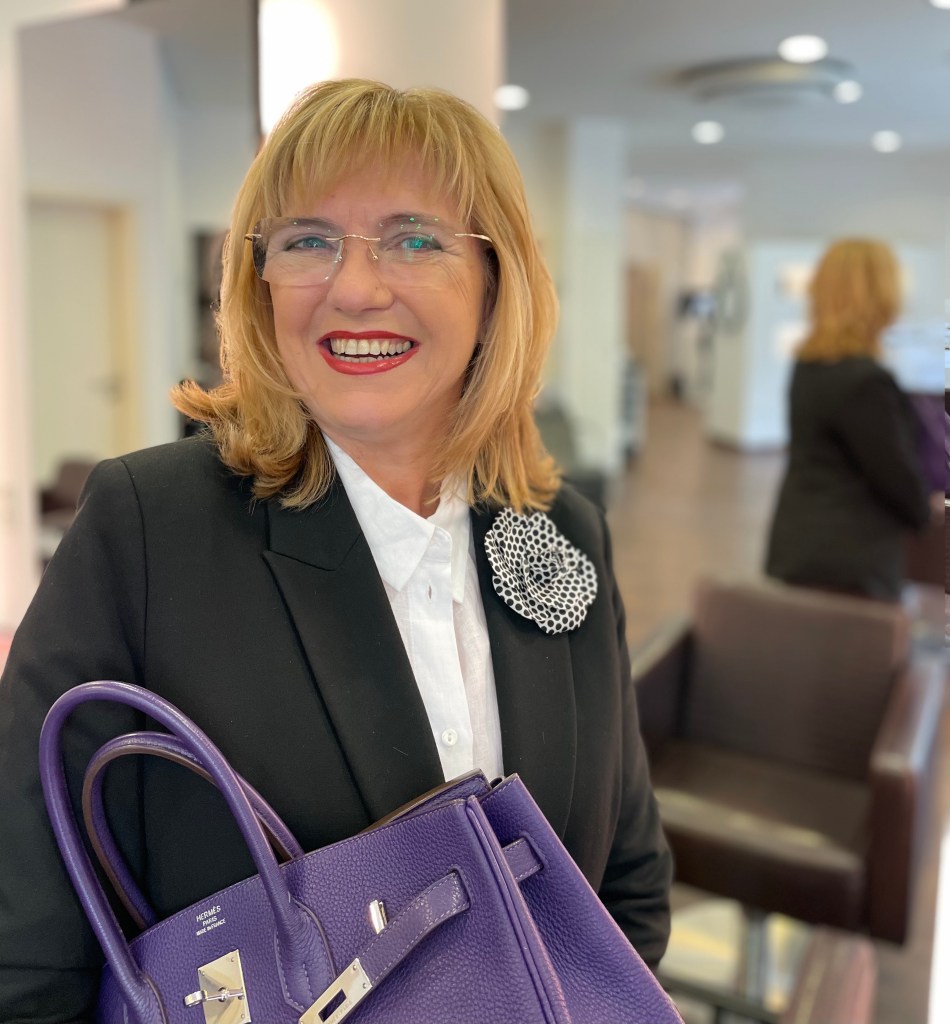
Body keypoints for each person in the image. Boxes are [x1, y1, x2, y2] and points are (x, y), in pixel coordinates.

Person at [0, 79, 672, 1019]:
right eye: (308, 240)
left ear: (496, 282)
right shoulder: (148, 529)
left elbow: (624, 886)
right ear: (260, 280)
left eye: (415, 239)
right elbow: (26, 944)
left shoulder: (560, 532)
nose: (355, 288)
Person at [765, 237, 932, 600]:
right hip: (849, 563)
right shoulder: (865, 382)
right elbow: (897, 480)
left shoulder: (810, 365)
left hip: (801, 543)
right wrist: (925, 513)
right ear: (878, 295)